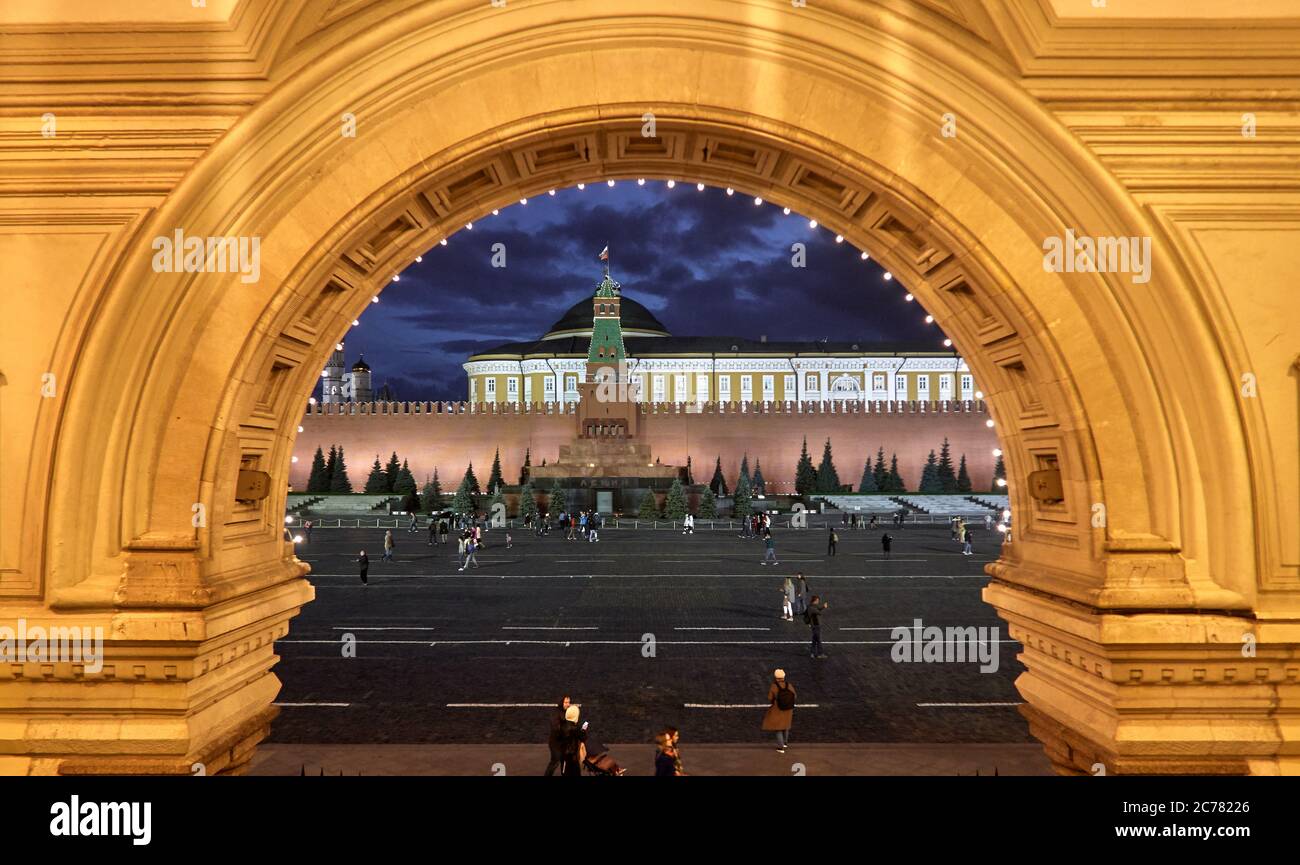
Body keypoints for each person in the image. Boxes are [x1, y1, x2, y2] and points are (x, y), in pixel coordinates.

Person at [762, 669, 796, 752]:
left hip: (778, 709)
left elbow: (770, 698)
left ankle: (781, 747)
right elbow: (794, 696)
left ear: (775, 677)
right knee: (786, 726)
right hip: (788, 709)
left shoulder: (774, 686)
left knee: (778, 728)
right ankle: (785, 743)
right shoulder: (789, 685)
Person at [544, 696, 571, 776]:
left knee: (564, 761)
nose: (568, 704)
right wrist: (565, 730)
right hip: (555, 743)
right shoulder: (556, 712)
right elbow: (555, 726)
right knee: (555, 760)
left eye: (569, 702)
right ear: (561, 702)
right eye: (566, 702)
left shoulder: (568, 712)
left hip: (564, 742)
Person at [559, 705, 587, 777]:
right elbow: (583, 738)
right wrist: (584, 730)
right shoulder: (574, 728)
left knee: (565, 772)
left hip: (563, 754)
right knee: (575, 773)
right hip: (572, 756)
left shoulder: (562, 725)